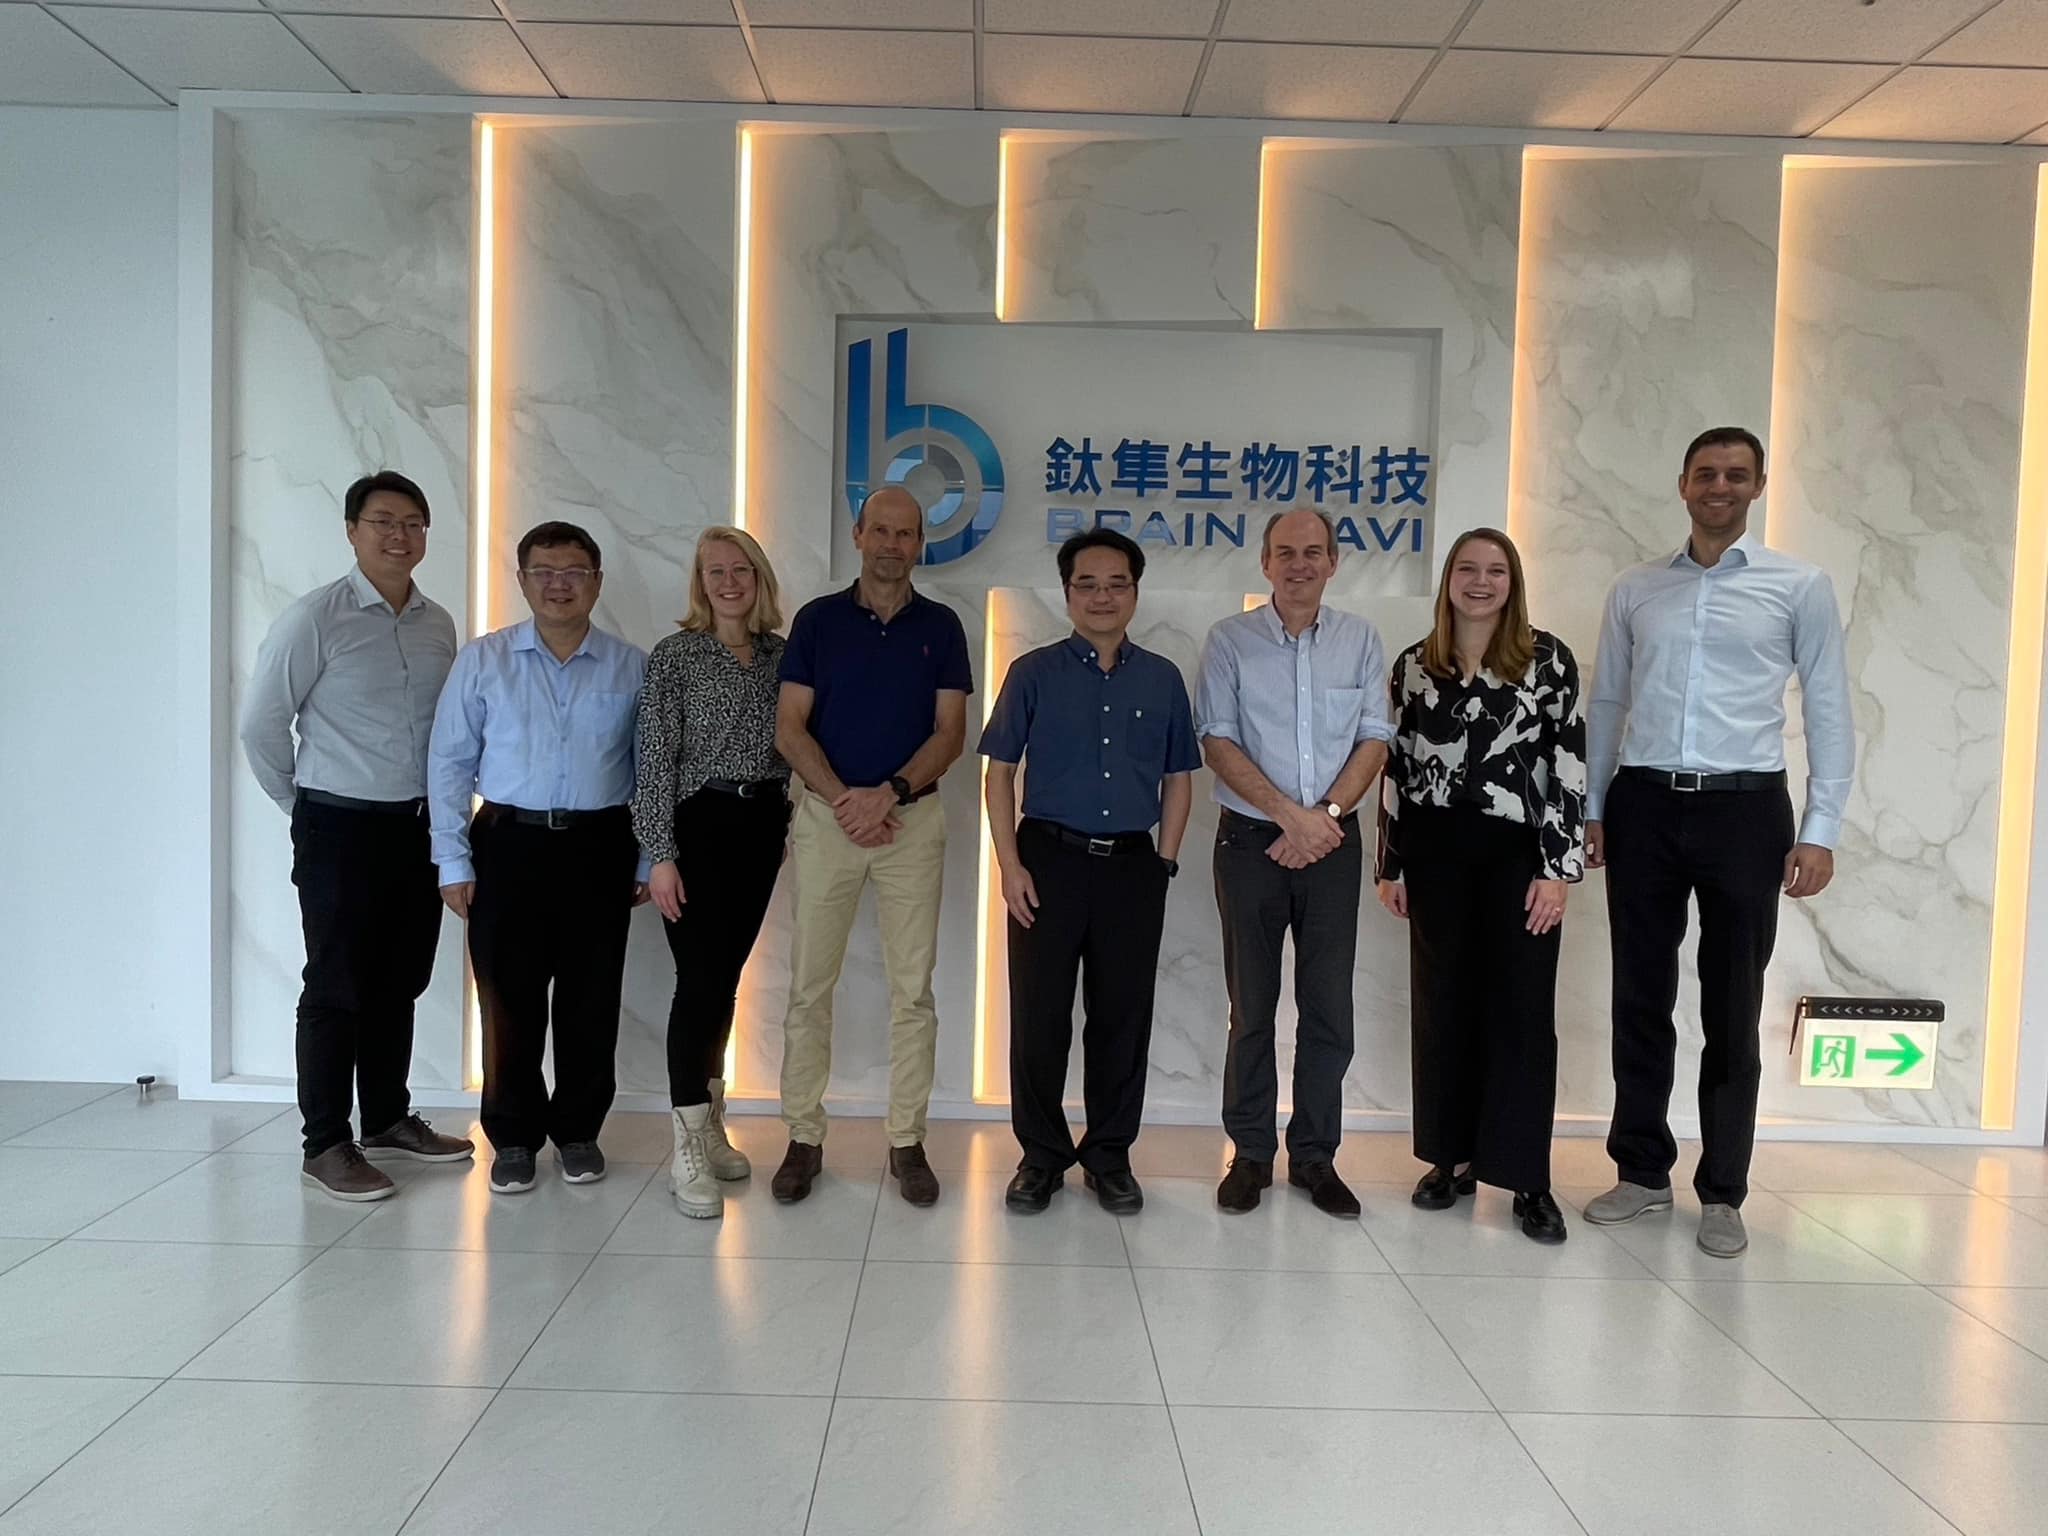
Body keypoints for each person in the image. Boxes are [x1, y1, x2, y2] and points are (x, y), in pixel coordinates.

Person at [1581, 427, 1854, 1259]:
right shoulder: (1637, 588)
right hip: (1644, 804)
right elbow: (1608, 702)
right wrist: (1594, 807)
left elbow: (1831, 708)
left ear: (1759, 485)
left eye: (1737, 474)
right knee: (1640, 996)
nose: (1720, 486)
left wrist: (1821, 828)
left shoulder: (1798, 586)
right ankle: (1641, 1172)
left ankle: (1724, 1191)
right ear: (1683, 484)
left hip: (1746, 812)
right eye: (1706, 473)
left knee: (1733, 1007)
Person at [240, 471, 474, 1203]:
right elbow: (260, 724)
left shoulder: (438, 623)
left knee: (399, 980)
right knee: (336, 985)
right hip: (337, 825)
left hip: (416, 826)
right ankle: (325, 1143)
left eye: (412, 523)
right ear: (352, 531)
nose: (399, 536)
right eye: (383, 521)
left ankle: (387, 1119)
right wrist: (303, 807)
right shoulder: (315, 617)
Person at [981, 530, 1200, 1216]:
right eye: (1087, 584)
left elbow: (1179, 776)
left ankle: (1109, 1156)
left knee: (1121, 1018)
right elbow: (999, 774)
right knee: (1039, 1017)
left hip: (1133, 867)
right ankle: (1041, 1157)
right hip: (1046, 861)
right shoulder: (1032, 672)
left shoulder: (1162, 677)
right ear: (1067, 591)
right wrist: (1009, 865)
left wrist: (1164, 860)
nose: (1102, 597)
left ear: (1135, 591)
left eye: (1116, 584)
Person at [1375, 528, 1584, 1245]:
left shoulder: (1547, 660)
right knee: (1443, 1006)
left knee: (1522, 1012)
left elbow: (1570, 763)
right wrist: (1391, 865)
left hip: (1518, 855)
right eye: (1467, 569)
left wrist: (1558, 870)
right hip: (1436, 853)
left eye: (1496, 571)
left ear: (1512, 583)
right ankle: (1450, 1159)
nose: (1481, 582)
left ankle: (1527, 1179)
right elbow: (1396, 767)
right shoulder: (1415, 665)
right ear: (1449, 580)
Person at [427, 521, 650, 1196]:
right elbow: (448, 762)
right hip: (508, 844)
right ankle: (514, 1137)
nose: (559, 585)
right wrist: (452, 860)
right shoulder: (483, 660)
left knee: (592, 999)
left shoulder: (632, 666)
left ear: (597, 582)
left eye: (574, 572)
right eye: (544, 572)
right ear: (522, 580)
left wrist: (647, 858)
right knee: (508, 1001)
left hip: (599, 844)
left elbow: (651, 771)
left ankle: (579, 1131)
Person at [771, 486, 972, 1207]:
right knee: (808, 987)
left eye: (905, 533)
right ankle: (803, 1136)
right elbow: (790, 728)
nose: (892, 544)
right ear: (858, 535)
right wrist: (844, 801)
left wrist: (888, 794)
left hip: (910, 823)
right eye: (880, 530)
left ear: (921, 544)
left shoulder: (942, 626)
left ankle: (907, 1141)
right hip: (828, 821)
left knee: (912, 991)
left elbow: (950, 733)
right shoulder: (817, 621)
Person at [1194, 507, 1393, 1217]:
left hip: (1333, 845)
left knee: (1327, 1007)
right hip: (1252, 843)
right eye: (1285, 552)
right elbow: (1216, 739)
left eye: (1313, 552)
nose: (1299, 564)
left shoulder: (1360, 640)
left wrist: (1324, 819)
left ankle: (1314, 1156)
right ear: (1265, 562)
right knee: (1251, 1007)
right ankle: (1250, 1153)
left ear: (1334, 562)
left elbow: (1375, 737)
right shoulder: (1230, 640)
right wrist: (1289, 816)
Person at [634, 526, 791, 1220]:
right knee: (697, 984)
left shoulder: (783, 655)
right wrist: (659, 854)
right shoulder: (676, 655)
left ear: (759, 579)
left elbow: (798, 742)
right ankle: (686, 1145)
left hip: (761, 828)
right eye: (715, 572)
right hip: (698, 826)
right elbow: (653, 758)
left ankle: (712, 1122)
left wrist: (789, 822)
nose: (729, 583)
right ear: (700, 583)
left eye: (740, 570)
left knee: (724, 983)